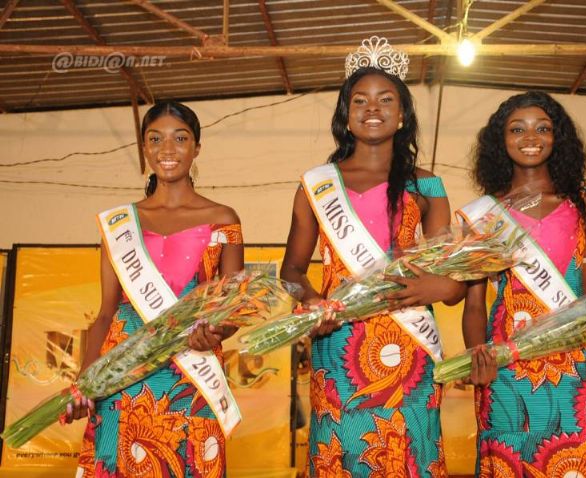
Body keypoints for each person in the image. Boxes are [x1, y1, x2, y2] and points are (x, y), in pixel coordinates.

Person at [280, 36, 464, 476]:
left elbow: (454, 281)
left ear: (402, 115)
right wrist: (311, 302)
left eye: (385, 99)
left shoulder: (427, 184)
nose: (372, 108)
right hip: (338, 344)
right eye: (359, 100)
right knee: (341, 451)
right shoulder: (316, 185)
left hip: (409, 343)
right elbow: (291, 271)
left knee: (409, 451)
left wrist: (432, 287)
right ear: (346, 115)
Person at [459, 91, 586, 477]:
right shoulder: (485, 214)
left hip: (574, 364)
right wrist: (475, 357)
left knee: (573, 457)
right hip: (505, 366)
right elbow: (474, 303)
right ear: (500, 140)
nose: (530, 137)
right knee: (508, 456)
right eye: (517, 129)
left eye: (542, 128)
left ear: (557, 137)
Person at [69, 101, 244, 477]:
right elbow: (106, 312)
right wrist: (84, 379)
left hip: (192, 376)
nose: (167, 149)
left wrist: (215, 332)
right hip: (123, 379)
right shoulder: (121, 224)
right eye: (155, 139)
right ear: (144, 148)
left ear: (197, 147)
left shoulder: (223, 219)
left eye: (180, 138)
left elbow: (232, 310)